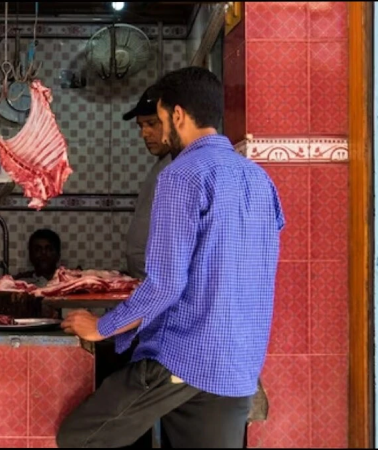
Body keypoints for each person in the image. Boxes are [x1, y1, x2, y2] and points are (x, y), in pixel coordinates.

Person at [57, 66, 285, 448]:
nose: (161, 133)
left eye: (161, 121)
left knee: (77, 437)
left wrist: (102, 327)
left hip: (185, 354)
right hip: (239, 361)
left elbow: (165, 283)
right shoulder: (259, 178)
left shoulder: (182, 175)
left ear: (178, 115)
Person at [122, 87, 172, 280]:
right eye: (141, 126)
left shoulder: (178, 167)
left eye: (151, 123)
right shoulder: (162, 164)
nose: (144, 133)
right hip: (147, 281)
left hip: (161, 284)